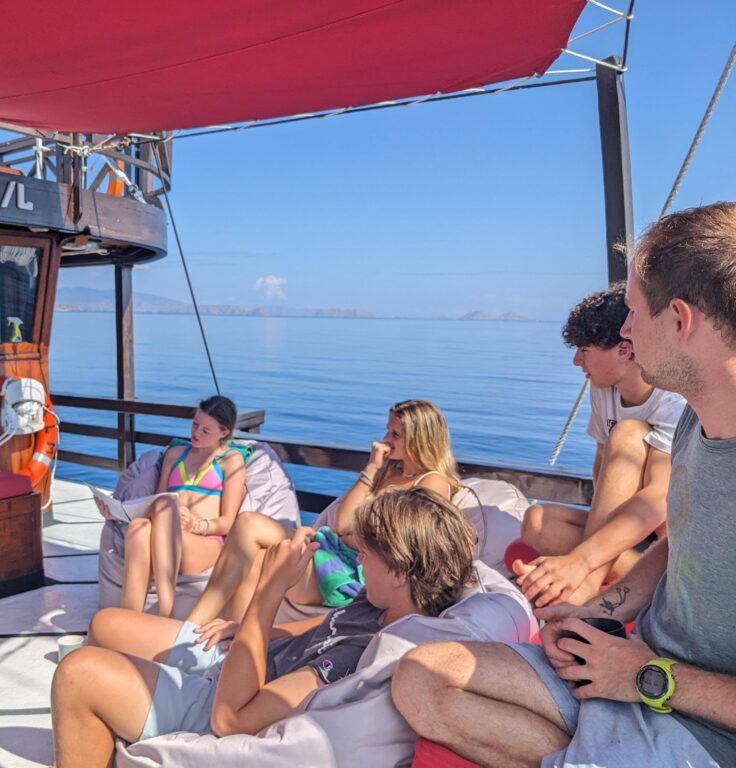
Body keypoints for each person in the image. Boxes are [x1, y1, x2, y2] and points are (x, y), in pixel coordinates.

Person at [392, 203, 736, 768]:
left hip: (698, 723)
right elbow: (683, 540)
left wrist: (649, 678)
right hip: (630, 663)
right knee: (422, 675)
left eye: (632, 312)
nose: (625, 330)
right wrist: (597, 612)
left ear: (680, 319)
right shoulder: (698, 423)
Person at [52, 487, 477, 767]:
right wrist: (246, 629)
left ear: (401, 572)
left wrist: (268, 595)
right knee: (106, 624)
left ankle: (98, 727)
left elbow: (230, 719)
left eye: (368, 551)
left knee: (78, 675)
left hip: (226, 692)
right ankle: (102, 735)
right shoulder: (379, 604)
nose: (359, 558)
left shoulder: (356, 658)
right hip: (237, 658)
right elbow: (319, 629)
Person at [161, 399, 460, 629]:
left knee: (262, 562)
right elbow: (343, 522)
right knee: (247, 522)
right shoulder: (389, 472)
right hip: (334, 544)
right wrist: (371, 468)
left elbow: (399, 541)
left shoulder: (431, 483)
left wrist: (355, 534)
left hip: (354, 567)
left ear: (419, 440)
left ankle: (225, 638)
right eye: (388, 429)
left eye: (395, 434)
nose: (385, 438)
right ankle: (196, 628)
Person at [515, 284, 685, 606]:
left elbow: (659, 498)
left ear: (624, 350)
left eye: (585, 349)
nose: (577, 361)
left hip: (667, 532)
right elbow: (601, 462)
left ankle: (588, 585)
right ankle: (648, 577)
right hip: (629, 532)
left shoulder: (672, 397)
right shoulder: (602, 389)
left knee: (629, 433)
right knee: (536, 523)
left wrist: (580, 561)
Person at [105, 395, 246, 618]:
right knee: (138, 529)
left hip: (205, 543)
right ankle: (129, 618)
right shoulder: (174, 454)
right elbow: (156, 503)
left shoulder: (231, 461)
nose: (196, 433)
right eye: (195, 424)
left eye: (206, 430)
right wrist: (117, 512)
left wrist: (195, 524)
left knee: (166, 505)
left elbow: (228, 522)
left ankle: (166, 612)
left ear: (224, 432)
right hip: (165, 530)